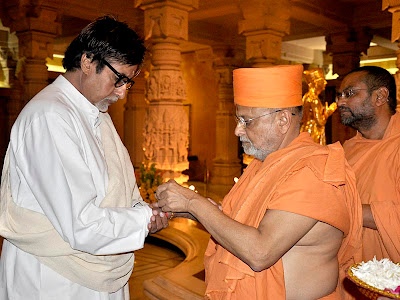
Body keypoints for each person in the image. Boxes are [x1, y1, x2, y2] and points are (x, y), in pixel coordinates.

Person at [155, 65, 363, 300]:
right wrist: (185, 209)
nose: (237, 130)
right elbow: (236, 224)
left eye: (247, 120)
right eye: (238, 119)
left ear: (283, 120)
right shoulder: (263, 164)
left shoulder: (314, 169)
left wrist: (193, 202)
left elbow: (260, 252)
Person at [0, 16, 168, 300]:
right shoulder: (50, 116)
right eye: (119, 79)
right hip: (54, 280)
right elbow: (82, 224)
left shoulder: (91, 113)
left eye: (129, 83)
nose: (123, 92)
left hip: (87, 273)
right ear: (88, 61)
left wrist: (146, 211)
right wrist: (144, 219)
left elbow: (110, 193)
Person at [337, 66, 400, 263]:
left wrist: (336, 207)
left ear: (380, 96)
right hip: (349, 276)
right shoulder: (347, 150)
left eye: (349, 93)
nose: (340, 102)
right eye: (339, 95)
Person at [300, 68, 337, 145]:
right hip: (314, 132)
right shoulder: (314, 100)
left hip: (305, 130)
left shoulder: (306, 97)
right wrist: (329, 111)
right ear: (316, 83)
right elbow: (320, 122)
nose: (325, 83)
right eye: (322, 81)